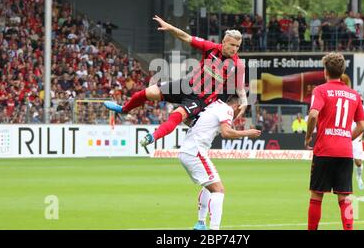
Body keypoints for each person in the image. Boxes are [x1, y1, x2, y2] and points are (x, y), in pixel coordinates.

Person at [104, 15, 248, 147]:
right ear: (224, 42)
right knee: (146, 93)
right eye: (232, 45)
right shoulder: (210, 48)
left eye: (237, 46)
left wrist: (245, 101)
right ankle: (124, 110)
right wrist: (170, 27)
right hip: (186, 85)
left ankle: (152, 137)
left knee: (175, 116)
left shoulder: (237, 65)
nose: (235, 49)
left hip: (200, 99)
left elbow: (240, 88)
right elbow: (186, 37)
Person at [179, 95, 261, 230]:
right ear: (237, 106)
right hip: (195, 152)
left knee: (209, 185)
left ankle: (200, 224)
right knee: (219, 190)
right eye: (240, 112)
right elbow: (226, 133)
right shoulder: (226, 109)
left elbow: (188, 120)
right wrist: (248, 133)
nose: (238, 116)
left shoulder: (212, 106)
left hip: (189, 150)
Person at [304, 52, 364, 230]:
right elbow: (361, 126)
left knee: (316, 196)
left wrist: (308, 136)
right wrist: (346, 137)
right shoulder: (354, 95)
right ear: (343, 71)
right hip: (345, 151)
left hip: (324, 149)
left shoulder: (321, 90)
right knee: (345, 197)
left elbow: (314, 114)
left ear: (325, 71)